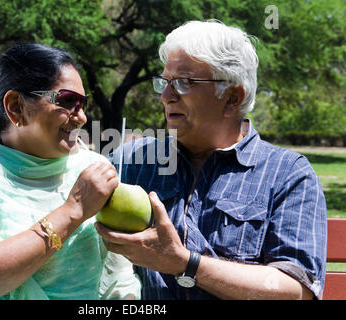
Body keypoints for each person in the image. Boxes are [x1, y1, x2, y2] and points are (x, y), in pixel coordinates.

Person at [96, 20, 327, 300]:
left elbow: (297, 290)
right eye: (165, 82)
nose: (166, 96)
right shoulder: (132, 160)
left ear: (232, 98)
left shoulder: (288, 174)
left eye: (184, 82)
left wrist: (185, 264)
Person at [0, 43, 141, 300]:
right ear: (16, 106)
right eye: (68, 101)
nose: (81, 118)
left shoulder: (92, 169)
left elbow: (120, 279)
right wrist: (73, 211)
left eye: (83, 104)